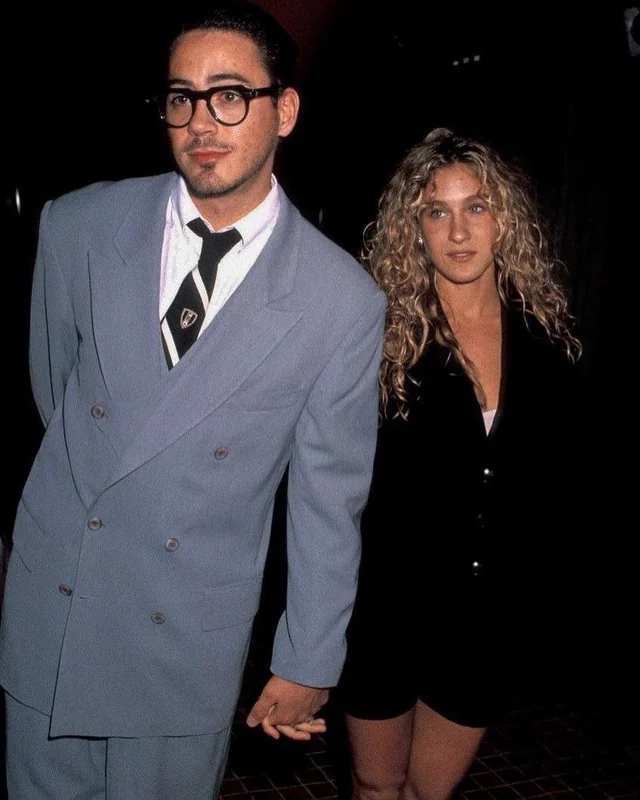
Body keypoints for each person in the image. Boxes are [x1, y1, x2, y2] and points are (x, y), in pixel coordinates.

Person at [0, 2, 386, 797]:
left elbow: (328, 503)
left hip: (180, 639)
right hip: (59, 600)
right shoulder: (78, 226)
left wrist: (309, 658)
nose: (201, 122)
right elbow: (55, 393)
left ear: (285, 110)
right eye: (182, 97)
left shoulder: (340, 300)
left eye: (230, 95)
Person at [337, 127, 582, 800]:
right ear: (413, 228)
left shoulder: (545, 339)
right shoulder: (378, 335)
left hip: (484, 618)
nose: (459, 231)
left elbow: (554, 489)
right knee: (376, 785)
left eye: (476, 206)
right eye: (436, 211)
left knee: (431, 792)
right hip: (384, 604)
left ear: (504, 218)